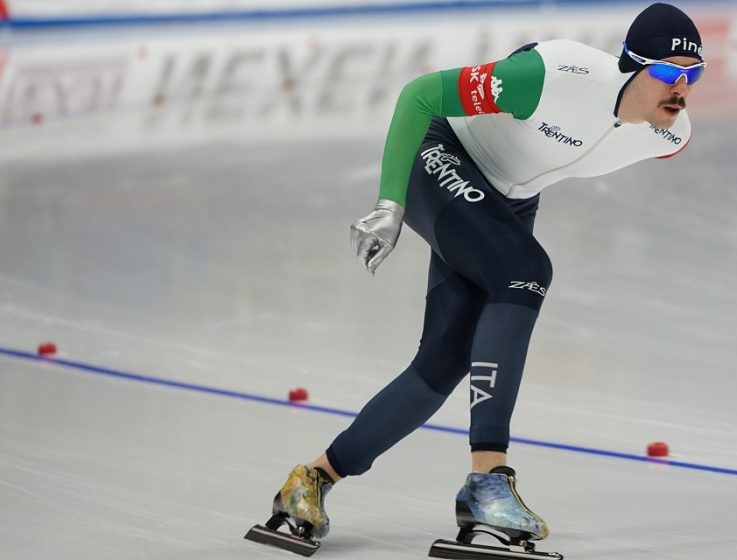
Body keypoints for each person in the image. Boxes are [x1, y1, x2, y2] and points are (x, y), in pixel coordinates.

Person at [245, 3, 705, 558]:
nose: (681, 88)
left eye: (692, 75)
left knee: (444, 359)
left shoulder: (668, 135)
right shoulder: (550, 75)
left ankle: (311, 482)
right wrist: (390, 203)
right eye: (668, 72)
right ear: (632, 64)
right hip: (441, 155)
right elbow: (419, 94)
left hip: (505, 200)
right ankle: (488, 481)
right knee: (525, 270)